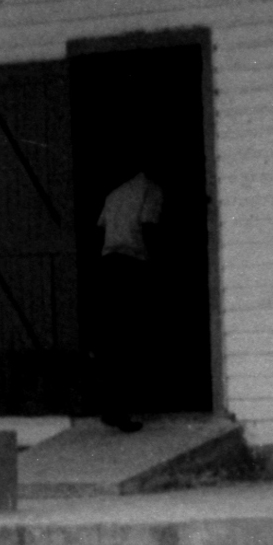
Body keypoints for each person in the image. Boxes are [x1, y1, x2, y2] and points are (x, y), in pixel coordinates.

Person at [93, 169, 162, 432]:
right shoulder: (152, 190)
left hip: (109, 264)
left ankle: (111, 407)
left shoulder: (115, 194)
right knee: (129, 338)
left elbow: (100, 229)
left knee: (111, 338)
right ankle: (120, 411)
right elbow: (148, 226)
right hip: (132, 265)